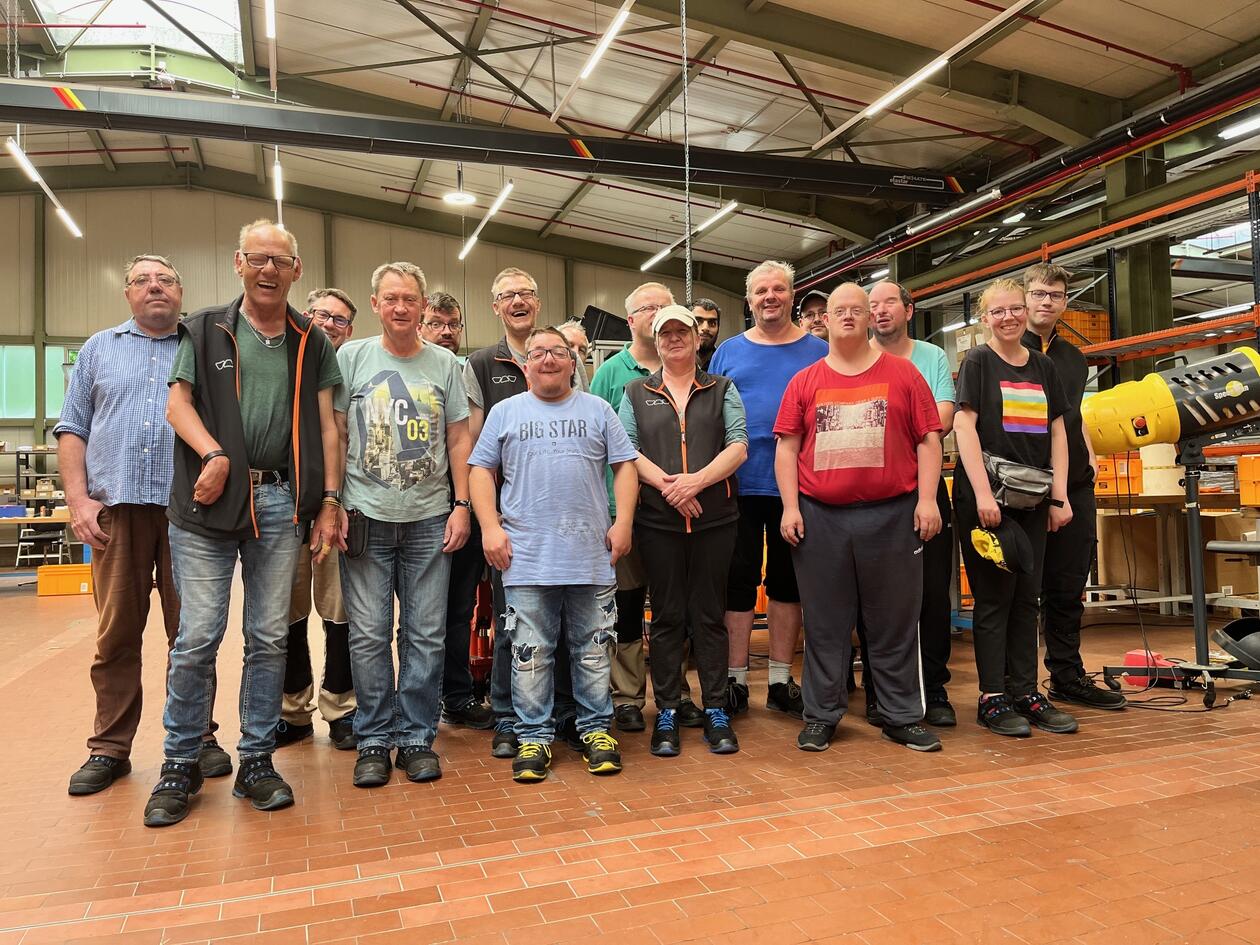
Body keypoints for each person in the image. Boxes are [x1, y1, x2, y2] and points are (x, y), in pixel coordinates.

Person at [145, 219, 344, 827]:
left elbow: (329, 425)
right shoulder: (205, 329)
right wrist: (213, 453)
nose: (268, 270)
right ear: (239, 263)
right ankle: (180, 762)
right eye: (258, 259)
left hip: (282, 504)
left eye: (279, 261)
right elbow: (177, 403)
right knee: (198, 637)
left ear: (296, 270)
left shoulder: (312, 340)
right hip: (209, 503)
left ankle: (256, 759)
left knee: (268, 638)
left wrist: (329, 501)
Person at [58, 254, 230, 796]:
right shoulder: (98, 349)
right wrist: (79, 499)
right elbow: (73, 428)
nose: (155, 287)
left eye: (166, 280)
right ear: (128, 293)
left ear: (181, 292)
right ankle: (109, 747)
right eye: (142, 280)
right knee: (116, 635)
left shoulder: (202, 346)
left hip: (191, 513)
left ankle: (198, 737)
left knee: (193, 635)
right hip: (118, 513)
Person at [775, 284, 944, 753]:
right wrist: (791, 506)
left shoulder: (905, 374)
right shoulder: (805, 381)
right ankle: (821, 715)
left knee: (893, 621)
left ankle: (901, 715)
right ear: (824, 321)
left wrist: (927, 501)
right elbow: (786, 448)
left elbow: (929, 441)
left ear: (871, 318)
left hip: (893, 516)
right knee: (826, 623)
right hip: (820, 518)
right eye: (838, 311)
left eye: (857, 309)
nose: (848, 317)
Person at [469, 326, 639, 782]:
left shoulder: (599, 409)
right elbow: (480, 471)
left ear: (572, 362)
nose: (548, 360)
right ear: (525, 366)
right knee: (530, 652)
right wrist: (489, 527)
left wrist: (622, 522)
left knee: (593, 651)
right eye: (538, 353)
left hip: (590, 555)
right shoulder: (505, 412)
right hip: (525, 558)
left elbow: (625, 467)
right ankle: (533, 737)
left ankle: (596, 730)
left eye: (557, 353)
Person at [336, 262, 471, 788]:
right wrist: (334, 503)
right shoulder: (351, 357)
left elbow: (459, 438)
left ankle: (415, 737)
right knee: (368, 635)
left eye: (408, 299)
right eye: (389, 298)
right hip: (365, 515)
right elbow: (337, 432)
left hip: (429, 518)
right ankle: (373, 738)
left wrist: (461, 504)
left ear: (422, 307)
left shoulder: (445, 365)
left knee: (426, 633)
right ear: (375, 304)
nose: (399, 308)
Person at [619, 305, 748, 756]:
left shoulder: (723, 388)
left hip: (715, 520)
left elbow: (739, 444)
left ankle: (715, 708)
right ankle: (668, 711)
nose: (674, 339)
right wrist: (671, 489)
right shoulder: (636, 392)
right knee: (670, 617)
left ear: (697, 340)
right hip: (658, 522)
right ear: (656, 342)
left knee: (709, 616)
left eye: (682, 332)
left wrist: (697, 481)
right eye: (665, 333)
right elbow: (627, 450)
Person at [953, 277, 1078, 738]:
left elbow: (1058, 433)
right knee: (993, 599)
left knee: (1028, 598)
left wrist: (1059, 496)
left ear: (1025, 311)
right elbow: (964, 428)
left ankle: (1026, 692)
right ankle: (992, 697)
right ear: (985, 318)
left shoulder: (1043, 366)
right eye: (997, 311)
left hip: (1033, 498)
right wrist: (983, 494)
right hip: (988, 504)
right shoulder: (978, 362)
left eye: (1014, 309)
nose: (1008, 317)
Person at [464, 269, 578, 757]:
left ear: (538, 300)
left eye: (526, 293)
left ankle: (566, 713)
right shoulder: (478, 363)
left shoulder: (562, 357)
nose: (518, 301)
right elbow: (473, 450)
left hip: (569, 522)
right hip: (512, 523)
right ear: (495, 306)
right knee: (515, 624)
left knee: (570, 624)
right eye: (507, 294)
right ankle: (509, 716)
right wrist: (483, 518)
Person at [709, 261, 827, 716]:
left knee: (788, 583)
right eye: (761, 291)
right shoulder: (727, 352)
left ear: (792, 295)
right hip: (736, 485)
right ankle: (736, 681)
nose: (770, 297)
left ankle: (780, 679)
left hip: (797, 489)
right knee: (737, 582)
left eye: (778, 289)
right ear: (749, 299)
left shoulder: (818, 350)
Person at [1022, 264, 1126, 711]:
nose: (1047, 302)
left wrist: (1090, 453)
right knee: (1024, 588)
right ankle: (1019, 683)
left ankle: (1067, 675)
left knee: (1067, 586)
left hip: (1076, 482)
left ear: (1065, 302)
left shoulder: (1073, 357)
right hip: (1026, 481)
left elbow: (1071, 415)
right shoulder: (1006, 352)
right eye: (1039, 293)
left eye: (1056, 295)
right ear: (1024, 296)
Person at [867, 279, 958, 727]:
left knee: (932, 592)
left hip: (924, 485)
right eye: (872, 305)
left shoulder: (931, 356)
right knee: (877, 596)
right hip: (874, 489)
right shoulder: (858, 358)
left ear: (908, 309)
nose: (880, 311)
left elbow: (941, 419)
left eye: (888, 303)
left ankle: (934, 686)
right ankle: (878, 688)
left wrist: (893, 432)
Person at [278, 288, 359, 751]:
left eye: (341, 320)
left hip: (340, 510)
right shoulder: (284, 363)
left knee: (340, 612)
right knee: (285, 614)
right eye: (323, 315)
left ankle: (342, 707)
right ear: (306, 317)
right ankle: (293, 712)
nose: (330, 325)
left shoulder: (354, 372)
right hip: (283, 510)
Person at [590, 282, 669, 733]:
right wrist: (612, 511)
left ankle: (674, 695)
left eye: (663, 306)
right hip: (625, 510)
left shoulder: (685, 363)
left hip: (676, 510)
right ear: (631, 320)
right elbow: (601, 445)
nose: (655, 314)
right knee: (626, 600)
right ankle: (627, 696)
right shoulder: (611, 373)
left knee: (673, 604)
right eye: (646, 308)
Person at [418, 291, 494, 729]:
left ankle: (457, 695)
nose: (446, 332)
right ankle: (415, 701)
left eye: (453, 325)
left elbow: (474, 439)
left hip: (464, 505)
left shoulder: (466, 374)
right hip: (416, 509)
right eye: (437, 323)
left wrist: (465, 505)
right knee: (419, 613)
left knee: (459, 609)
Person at [692, 299, 722, 371]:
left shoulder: (724, 361)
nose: (705, 328)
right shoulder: (674, 361)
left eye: (712, 323)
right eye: (698, 321)